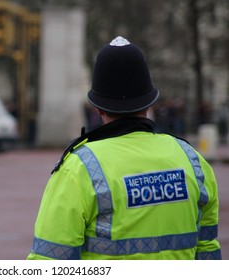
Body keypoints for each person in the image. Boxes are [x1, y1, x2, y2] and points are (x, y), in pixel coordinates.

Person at [27, 36, 221, 260]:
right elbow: (207, 249)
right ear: (150, 104)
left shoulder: (79, 168)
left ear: (98, 108)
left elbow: (49, 260)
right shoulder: (192, 160)